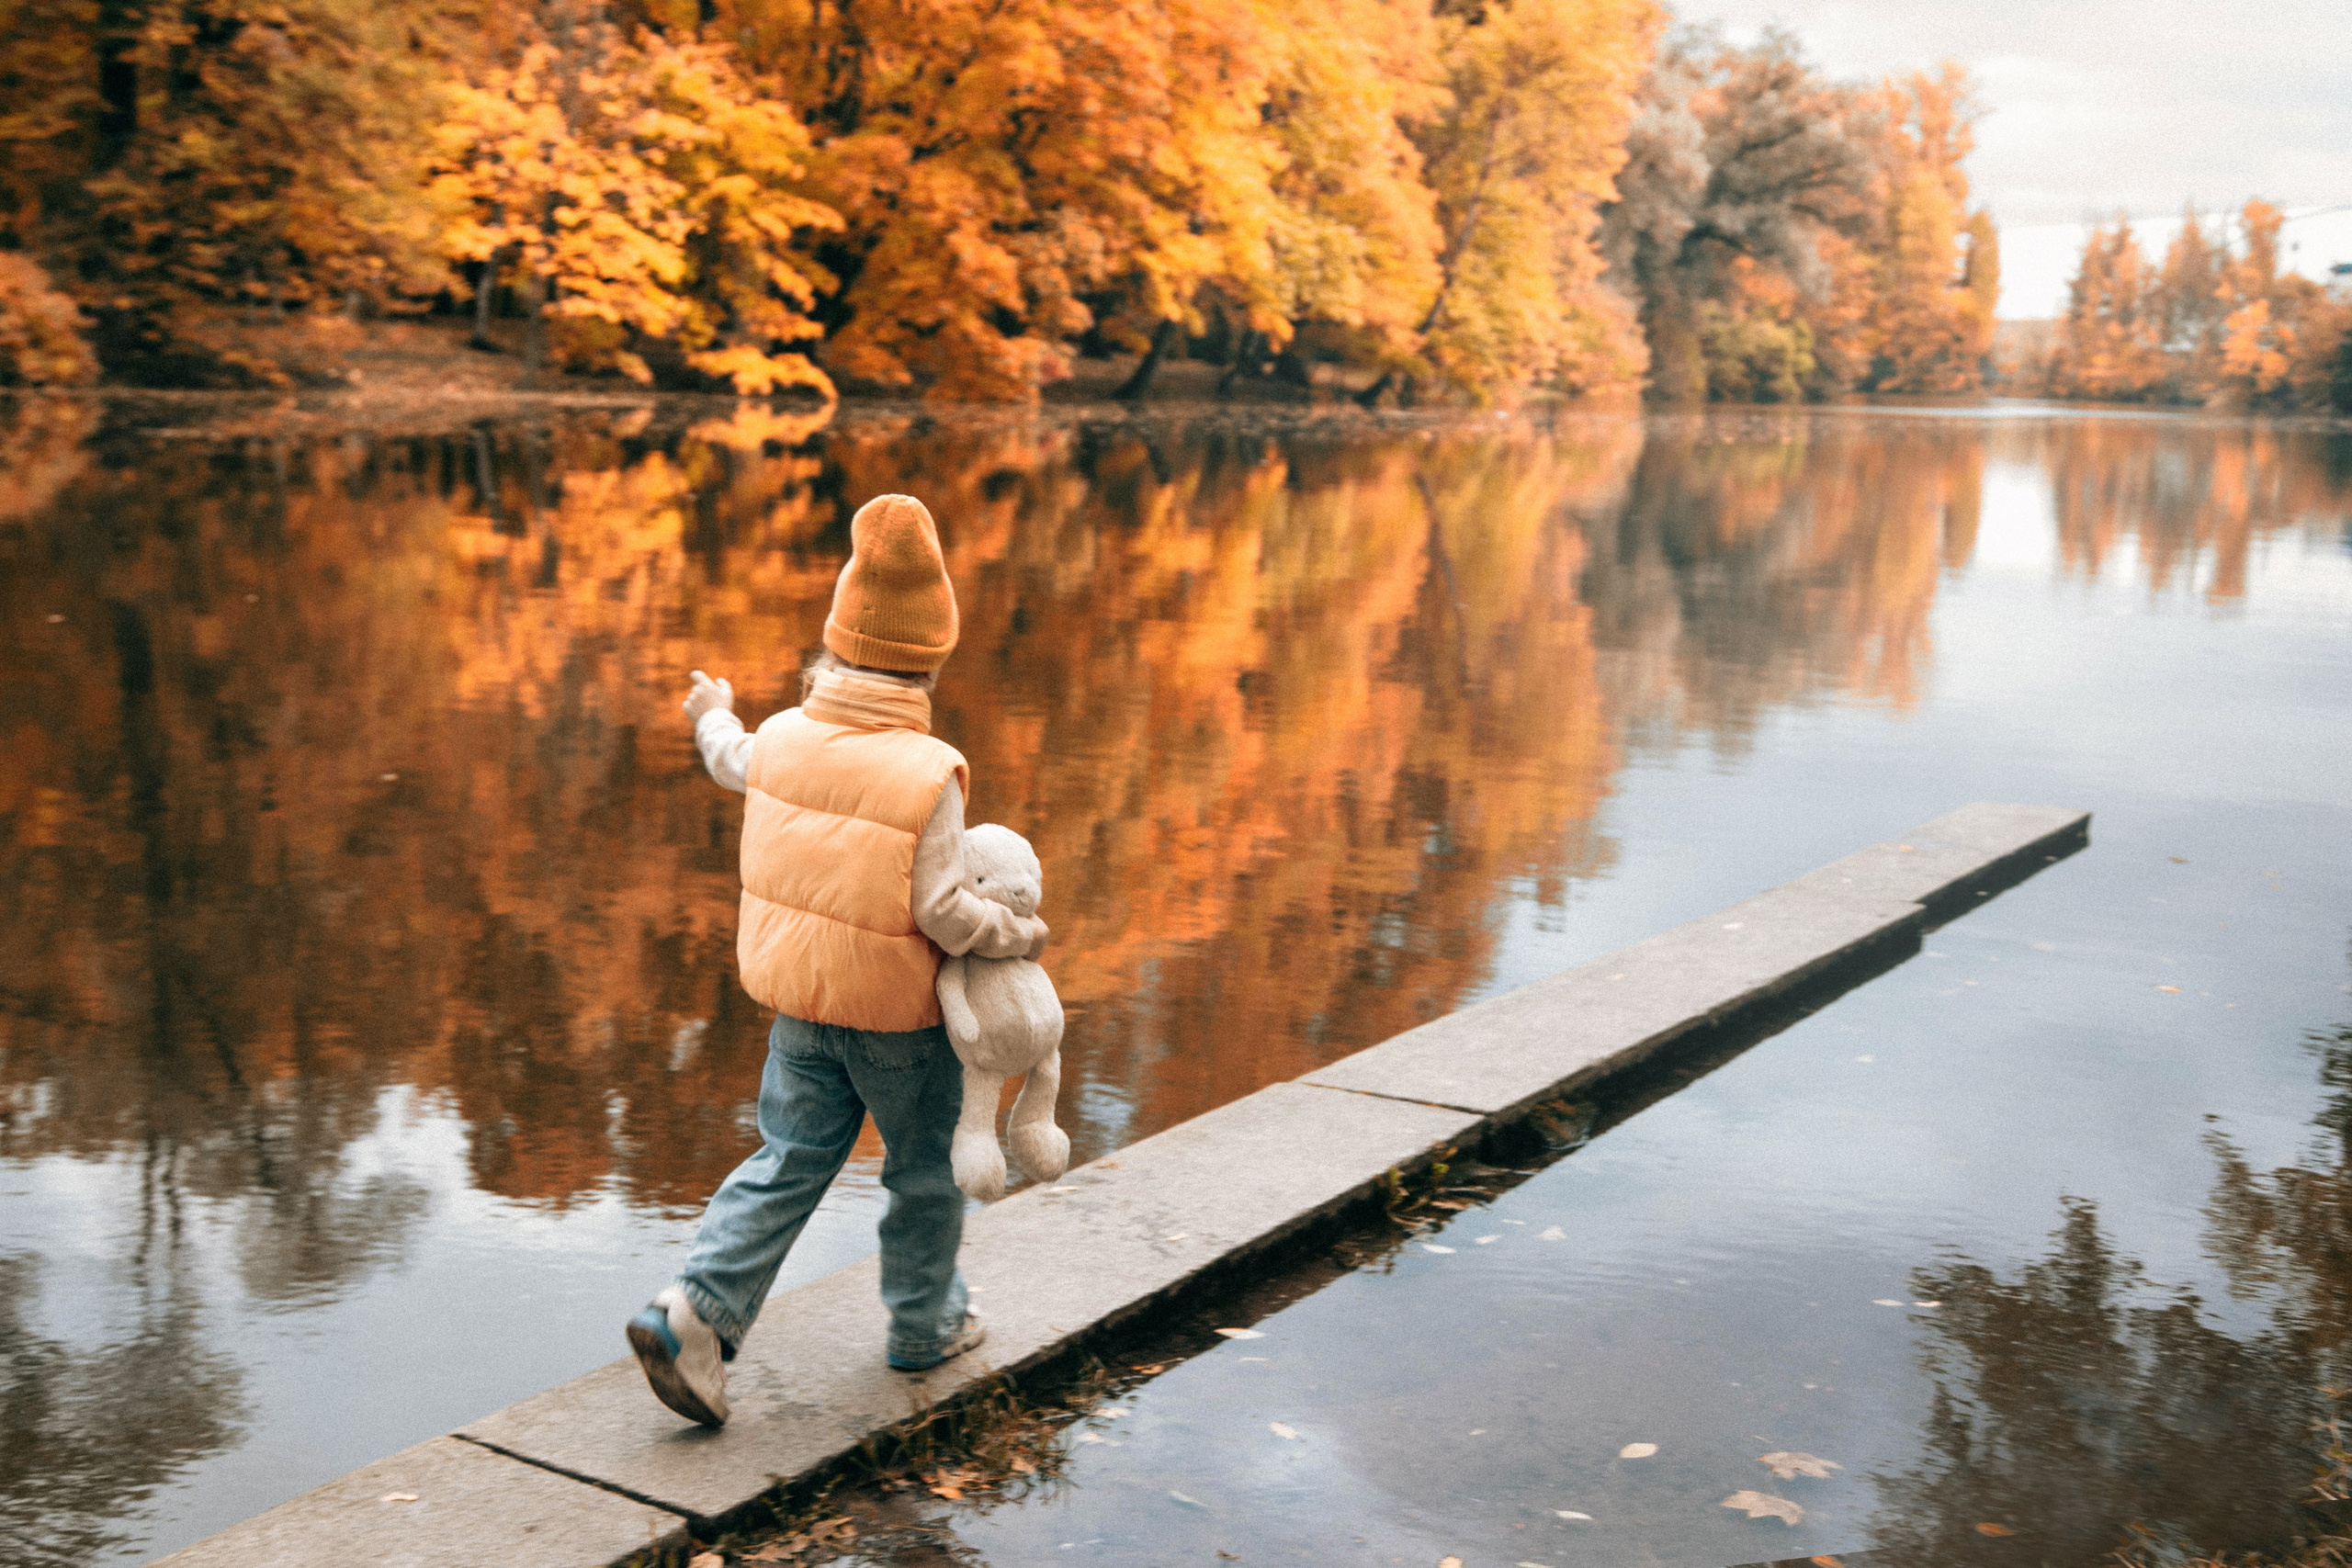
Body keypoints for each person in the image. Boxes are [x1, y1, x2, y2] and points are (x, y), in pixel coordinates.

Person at [626, 493, 1048, 1428]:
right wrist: (1014, 936)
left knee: (789, 1157)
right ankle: (924, 1326)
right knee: (924, 1172)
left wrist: (713, 711)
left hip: (801, 1007)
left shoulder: (779, 736)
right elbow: (941, 910)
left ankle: (693, 1314)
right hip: (898, 1021)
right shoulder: (927, 768)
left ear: (833, 644)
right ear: (929, 658)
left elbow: (728, 757)